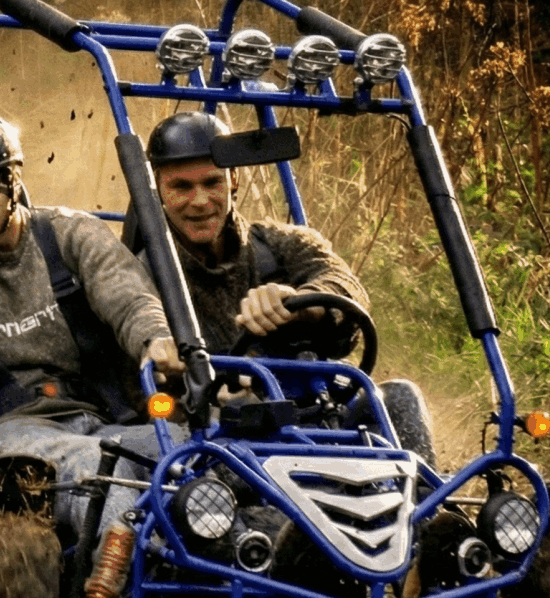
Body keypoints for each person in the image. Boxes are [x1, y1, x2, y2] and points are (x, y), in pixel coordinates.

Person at [0, 110, 182, 548]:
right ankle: (128, 573)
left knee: (193, 452)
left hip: (101, 420)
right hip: (6, 434)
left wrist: (155, 339)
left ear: (13, 182)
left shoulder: (72, 235)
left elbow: (130, 299)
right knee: (98, 468)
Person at [144, 110, 435, 463]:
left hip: (316, 419)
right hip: (220, 440)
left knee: (401, 396)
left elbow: (345, 285)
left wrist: (299, 304)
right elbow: (144, 386)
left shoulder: (280, 243)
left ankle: (422, 498)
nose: (200, 201)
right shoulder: (142, 272)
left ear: (233, 179)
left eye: (212, 183)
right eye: (182, 187)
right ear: (158, 189)